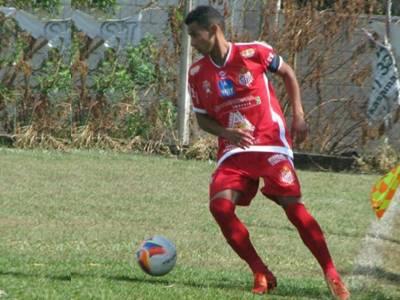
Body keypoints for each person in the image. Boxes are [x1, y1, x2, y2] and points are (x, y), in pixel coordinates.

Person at [185, 5, 350, 300]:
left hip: (270, 142)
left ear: (213, 30)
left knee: (293, 206)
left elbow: (287, 73)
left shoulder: (254, 52)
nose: (192, 42)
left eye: (195, 35)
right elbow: (201, 119)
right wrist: (226, 133)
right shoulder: (197, 72)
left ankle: (331, 272)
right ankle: (260, 271)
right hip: (234, 151)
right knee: (220, 207)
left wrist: (298, 114)